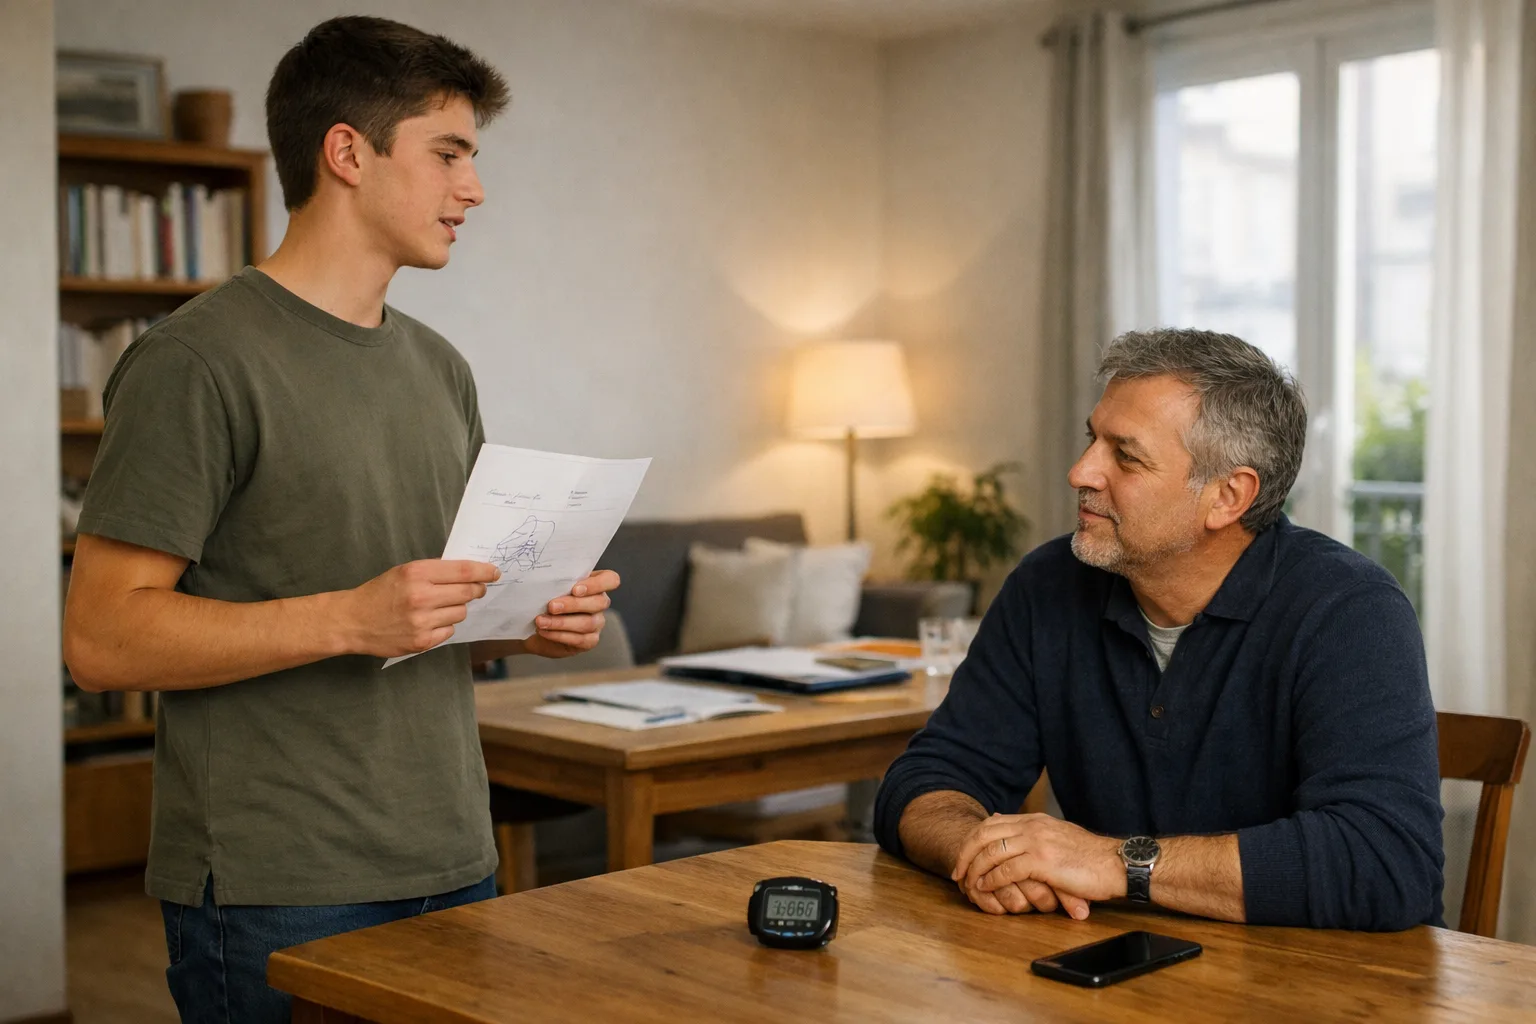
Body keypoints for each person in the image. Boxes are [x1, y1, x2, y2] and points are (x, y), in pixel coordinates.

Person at [61, 16, 617, 1021]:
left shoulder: (440, 369)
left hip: (454, 853)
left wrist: (522, 624)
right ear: (348, 153)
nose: (474, 189)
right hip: (279, 884)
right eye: (449, 153)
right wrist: (349, 619)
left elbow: (422, 616)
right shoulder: (197, 361)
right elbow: (101, 636)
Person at [874, 328, 1444, 931]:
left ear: (1228, 496)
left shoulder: (1350, 611)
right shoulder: (1048, 585)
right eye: (1092, 439)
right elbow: (927, 781)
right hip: (1110, 973)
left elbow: (1387, 863)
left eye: (1126, 455)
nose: (1080, 472)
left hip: (1319, 989)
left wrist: (1113, 863)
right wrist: (986, 854)